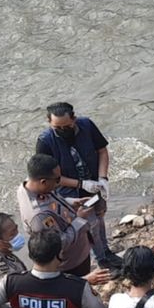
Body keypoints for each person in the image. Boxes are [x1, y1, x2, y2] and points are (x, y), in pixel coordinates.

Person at [35, 102, 121, 270]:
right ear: (49, 122)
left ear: (74, 118)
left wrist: (103, 178)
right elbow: (48, 177)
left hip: (93, 183)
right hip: (69, 190)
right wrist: (81, 184)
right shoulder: (45, 142)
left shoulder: (86, 126)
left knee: (99, 214)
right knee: (88, 222)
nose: (62, 131)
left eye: (66, 126)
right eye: (57, 127)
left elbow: (102, 150)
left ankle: (105, 252)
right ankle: (101, 260)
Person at [16, 153, 108, 278]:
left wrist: (70, 202)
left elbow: (51, 201)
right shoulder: (39, 217)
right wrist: (80, 219)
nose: (59, 183)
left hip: (78, 243)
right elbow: (60, 243)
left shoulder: (29, 184)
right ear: (43, 181)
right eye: (57, 180)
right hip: (71, 262)